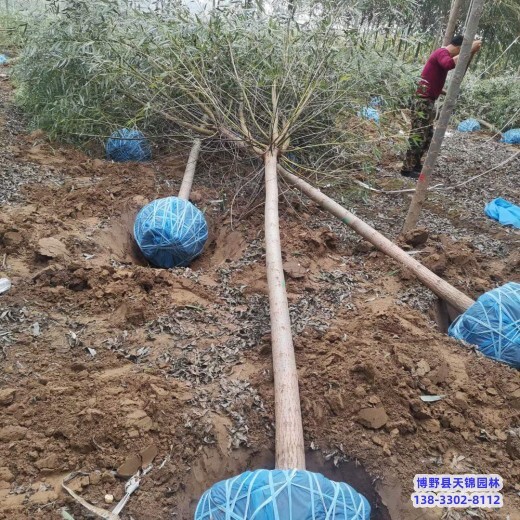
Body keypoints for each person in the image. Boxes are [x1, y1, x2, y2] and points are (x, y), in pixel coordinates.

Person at [401, 35, 482, 179]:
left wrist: (444, 92)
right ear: (458, 48)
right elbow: (449, 64)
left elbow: (433, 78)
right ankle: (407, 169)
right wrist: (469, 51)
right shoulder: (441, 53)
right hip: (422, 101)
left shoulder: (442, 54)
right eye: (461, 52)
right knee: (418, 134)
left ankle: (415, 164)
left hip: (427, 101)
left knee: (427, 135)